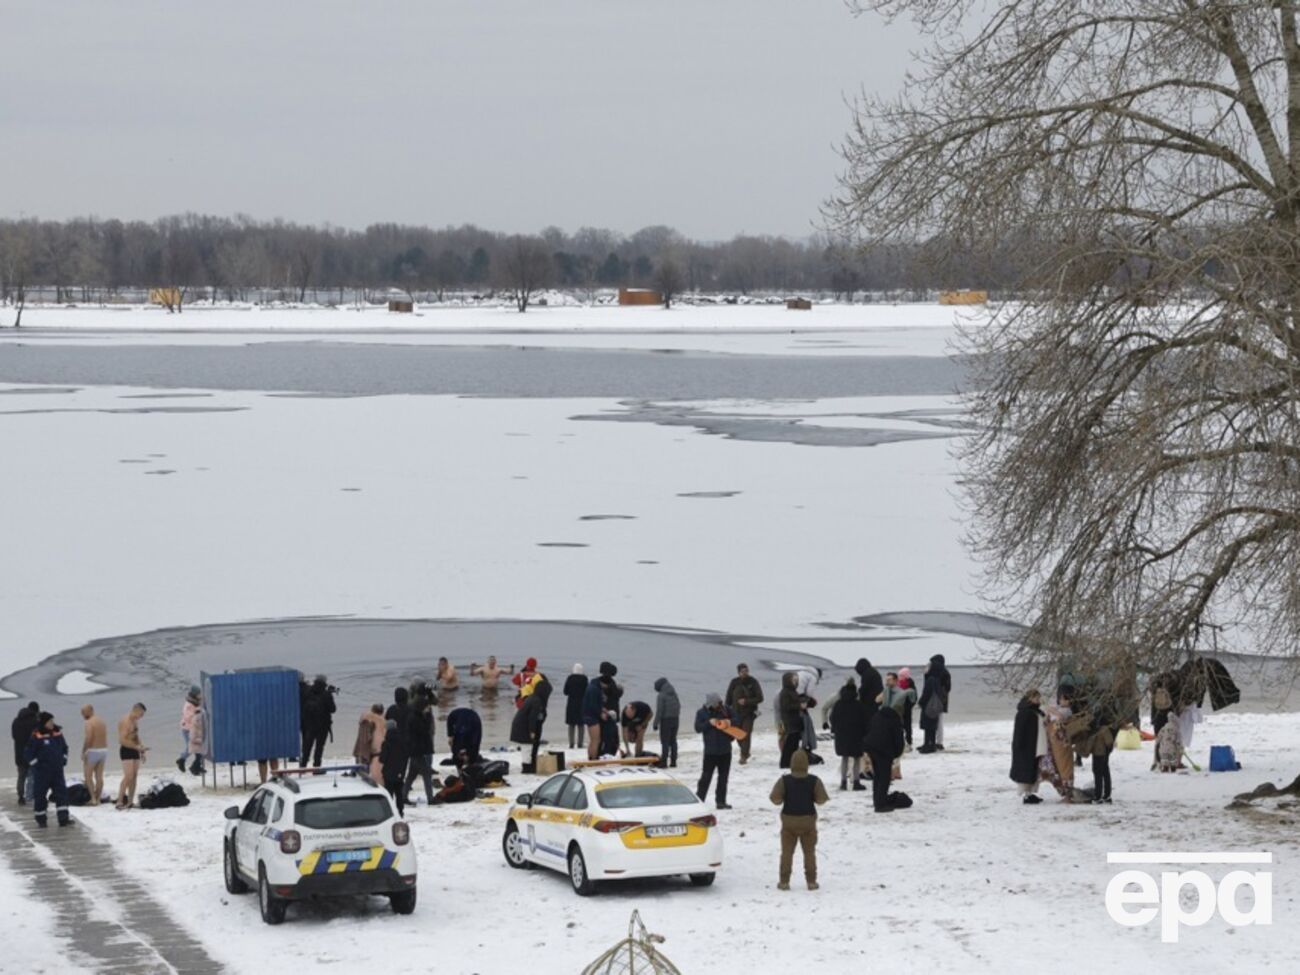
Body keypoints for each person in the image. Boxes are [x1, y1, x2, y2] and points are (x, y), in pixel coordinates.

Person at [769, 748, 828, 890]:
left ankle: (784, 881)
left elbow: (775, 799)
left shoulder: (784, 780)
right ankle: (811, 881)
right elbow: (821, 800)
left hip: (789, 822)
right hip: (808, 821)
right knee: (809, 853)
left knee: (787, 853)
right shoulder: (814, 781)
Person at [24, 712, 72, 828]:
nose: (52, 723)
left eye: (52, 721)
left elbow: (65, 748)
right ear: (44, 722)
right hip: (42, 773)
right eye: (50, 721)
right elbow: (28, 753)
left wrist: (63, 759)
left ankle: (63, 819)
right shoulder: (37, 735)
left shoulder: (57, 733)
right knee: (40, 796)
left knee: (62, 794)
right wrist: (37, 765)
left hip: (57, 771)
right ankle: (41, 820)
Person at [864, 700, 906, 812]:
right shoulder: (895, 720)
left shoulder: (878, 715)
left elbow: (868, 729)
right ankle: (880, 805)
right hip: (884, 750)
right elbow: (898, 739)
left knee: (877, 776)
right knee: (884, 777)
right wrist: (896, 754)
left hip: (871, 747)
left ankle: (877, 800)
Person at [695, 693, 735, 810]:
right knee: (706, 777)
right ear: (711, 704)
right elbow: (697, 728)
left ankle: (721, 802)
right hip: (710, 752)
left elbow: (737, 719)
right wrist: (709, 723)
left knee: (723, 777)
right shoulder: (701, 713)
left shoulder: (726, 710)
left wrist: (728, 722)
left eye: (720, 702)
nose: (720, 705)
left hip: (725, 750)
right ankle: (700, 799)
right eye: (718, 703)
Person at [829, 678, 867, 791]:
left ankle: (843, 782)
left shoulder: (838, 704)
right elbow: (864, 720)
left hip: (842, 735)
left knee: (844, 758)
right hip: (856, 735)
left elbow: (832, 718)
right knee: (856, 758)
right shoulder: (858, 705)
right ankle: (856, 782)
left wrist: (836, 729)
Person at [1010, 690, 1045, 804]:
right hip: (1026, 747)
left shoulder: (1034, 711)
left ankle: (1030, 793)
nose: (1038, 701)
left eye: (1039, 698)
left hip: (1033, 745)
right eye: (1036, 698)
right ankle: (1027, 795)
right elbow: (1019, 731)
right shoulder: (1025, 712)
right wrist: (1019, 746)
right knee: (1026, 771)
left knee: (1032, 770)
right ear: (1030, 698)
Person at [725, 663, 764, 764]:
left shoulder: (753, 682)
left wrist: (746, 701)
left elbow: (760, 698)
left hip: (749, 713)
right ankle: (745, 752)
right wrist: (725, 712)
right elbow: (728, 698)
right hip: (735, 713)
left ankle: (743, 756)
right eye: (742, 671)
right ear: (738, 673)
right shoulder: (734, 682)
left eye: (746, 671)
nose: (745, 673)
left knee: (746, 734)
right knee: (738, 735)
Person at [511, 673, 553, 769]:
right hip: (523, 727)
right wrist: (532, 731)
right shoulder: (536, 701)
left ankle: (531, 765)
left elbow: (540, 716)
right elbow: (532, 717)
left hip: (524, 725)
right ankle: (527, 767)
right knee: (527, 748)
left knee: (530, 747)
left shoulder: (536, 699)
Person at [404, 696, 438, 806]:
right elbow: (423, 731)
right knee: (426, 774)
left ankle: (403, 796)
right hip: (419, 751)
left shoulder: (415, 716)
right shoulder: (416, 718)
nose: (428, 708)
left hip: (416, 751)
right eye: (426, 706)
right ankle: (430, 798)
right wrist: (428, 717)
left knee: (411, 775)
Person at [299, 675, 337, 769]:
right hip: (323, 726)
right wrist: (330, 694)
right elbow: (333, 709)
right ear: (325, 682)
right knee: (319, 748)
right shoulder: (326, 694)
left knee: (307, 747)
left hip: (309, 725)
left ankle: (303, 766)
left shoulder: (307, 691)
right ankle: (316, 767)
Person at [917, 654, 952, 753]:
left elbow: (947, 688)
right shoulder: (939, 673)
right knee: (935, 722)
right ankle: (932, 743)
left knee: (936, 722)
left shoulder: (939, 674)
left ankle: (937, 742)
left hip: (937, 700)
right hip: (938, 700)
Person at [115, 703, 147, 810]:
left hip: (135, 749)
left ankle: (130, 801)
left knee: (134, 776)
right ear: (136, 710)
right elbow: (122, 740)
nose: (141, 717)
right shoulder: (125, 721)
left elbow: (136, 736)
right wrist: (136, 747)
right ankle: (119, 801)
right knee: (128, 776)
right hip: (126, 750)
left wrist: (141, 748)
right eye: (141, 714)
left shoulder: (135, 721)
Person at [583, 662, 618, 760]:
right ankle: (593, 760)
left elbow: (594, 703)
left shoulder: (593, 685)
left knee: (592, 740)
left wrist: (603, 709)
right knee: (596, 740)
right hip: (592, 717)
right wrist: (601, 713)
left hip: (589, 715)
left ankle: (590, 757)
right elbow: (592, 705)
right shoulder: (594, 689)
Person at [12, 701, 41, 805]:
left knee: (21, 776)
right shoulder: (35, 721)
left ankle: (21, 797)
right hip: (31, 753)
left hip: (19, 753)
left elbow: (14, 737)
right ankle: (31, 796)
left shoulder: (16, 721)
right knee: (32, 775)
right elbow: (37, 738)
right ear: (36, 711)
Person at [380, 719, 409, 817]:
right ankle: (400, 811)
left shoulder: (386, 742)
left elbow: (382, 759)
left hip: (388, 771)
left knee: (389, 793)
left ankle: (389, 812)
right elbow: (406, 755)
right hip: (400, 770)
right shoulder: (403, 740)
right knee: (399, 793)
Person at [80, 705, 108, 805]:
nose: (82, 715)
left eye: (83, 712)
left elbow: (89, 737)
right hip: (103, 750)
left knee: (88, 775)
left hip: (93, 750)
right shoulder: (101, 721)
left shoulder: (89, 722)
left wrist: (84, 751)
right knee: (99, 776)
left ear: (90, 711)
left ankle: (93, 798)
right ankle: (98, 798)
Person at [777, 672, 805, 769]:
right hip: (789, 720)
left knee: (794, 743)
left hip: (795, 720)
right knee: (790, 743)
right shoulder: (785, 692)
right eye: (794, 680)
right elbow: (785, 706)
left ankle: (790, 762)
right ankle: (784, 763)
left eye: (797, 680)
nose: (796, 682)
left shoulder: (793, 691)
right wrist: (799, 706)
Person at [652, 677, 681, 768]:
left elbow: (659, 711)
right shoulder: (674, 693)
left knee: (665, 742)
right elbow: (679, 705)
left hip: (666, 721)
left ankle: (664, 762)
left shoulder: (661, 695)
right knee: (673, 741)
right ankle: (673, 761)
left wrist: (655, 723)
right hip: (675, 719)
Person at [353, 704, 386, 781]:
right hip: (377, 752)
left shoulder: (366, 717)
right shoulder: (383, 721)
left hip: (364, 750)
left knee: (363, 771)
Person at [563, 664, 588, 748]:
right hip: (582, 703)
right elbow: (587, 691)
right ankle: (580, 743)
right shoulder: (584, 679)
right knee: (581, 724)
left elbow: (565, 692)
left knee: (571, 724)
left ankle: (571, 743)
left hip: (571, 703)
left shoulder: (570, 678)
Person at [177, 685, 200, 773]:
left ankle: (196, 766)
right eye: (199, 694)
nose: (200, 695)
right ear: (194, 694)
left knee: (198, 747)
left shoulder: (197, 702)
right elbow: (187, 716)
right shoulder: (188, 704)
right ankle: (181, 760)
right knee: (191, 747)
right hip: (187, 729)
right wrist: (196, 713)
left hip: (195, 728)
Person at [855, 658, 884, 728]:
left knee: (868, 722)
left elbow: (864, 689)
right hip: (877, 700)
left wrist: (857, 696)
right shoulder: (874, 672)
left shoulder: (866, 674)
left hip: (869, 702)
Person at [897, 666, 919, 748]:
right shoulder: (898, 683)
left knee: (907, 726)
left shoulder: (910, 684)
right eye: (899, 676)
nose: (900, 677)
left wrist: (909, 706)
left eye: (901, 676)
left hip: (907, 708)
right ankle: (900, 741)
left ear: (906, 676)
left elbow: (914, 697)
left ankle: (909, 741)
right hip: (899, 708)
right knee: (899, 725)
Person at [188, 694, 206, 777]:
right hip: (196, 742)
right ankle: (193, 768)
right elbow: (193, 735)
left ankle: (197, 768)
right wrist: (199, 740)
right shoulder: (196, 721)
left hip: (197, 741)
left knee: (199, 757)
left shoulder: (196, 719)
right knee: (198, 757)